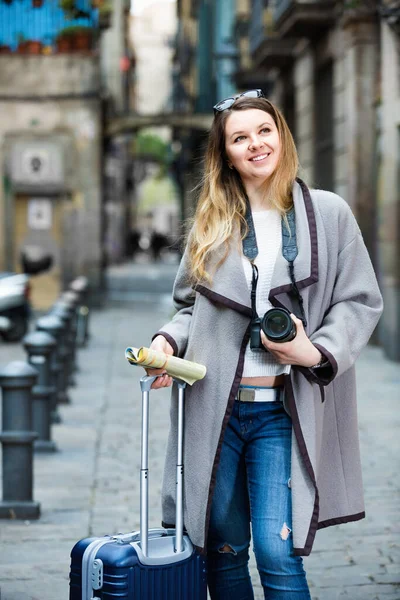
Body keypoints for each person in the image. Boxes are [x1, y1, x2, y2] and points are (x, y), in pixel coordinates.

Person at [146, 90, 383, 599]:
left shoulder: (328, 213)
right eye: (240, 138)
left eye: (264, 131)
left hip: (283, 409)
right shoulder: (211, 224)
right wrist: (167, 340)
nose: (255, 144)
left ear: (281, 136)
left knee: (279, 553)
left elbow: (359, 300)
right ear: (226, 154)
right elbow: (190, 307)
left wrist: (314, 352)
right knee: (224, 550)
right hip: (216, 410)